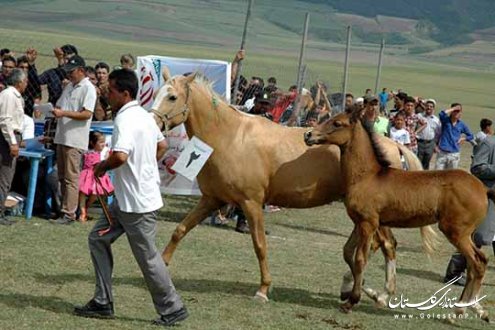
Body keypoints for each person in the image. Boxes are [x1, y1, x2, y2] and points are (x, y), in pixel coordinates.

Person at [73, 69, 188, 326]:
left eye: (111, 90)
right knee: (97, 239)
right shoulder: (145, 116)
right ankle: (102, 302)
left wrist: (102, 168)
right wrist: (145, 166)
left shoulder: (125, 119)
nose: (106, 93)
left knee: (147, 258)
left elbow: (121, 156)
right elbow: (162, 145)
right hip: (126, 203)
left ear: (124, 94)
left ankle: (172, 308)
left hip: (137, 206)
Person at [443, 132, 495, 286]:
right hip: (485, 198)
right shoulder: (489, 143)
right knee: (474, 236)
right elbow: (477, 167)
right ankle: (454, 273)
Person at [51, 55, 97, 224]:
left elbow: (86, 113)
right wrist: (56, 110)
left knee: (71, 177)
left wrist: (63, 113)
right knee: (62, 176)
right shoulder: (70, 86)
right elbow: (60, 104)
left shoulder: (88, 89)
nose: (70, 75)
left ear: (81, 70)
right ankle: (64, 209)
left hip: (75, 139)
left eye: (72, 72)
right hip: (62, 136)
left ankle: (69, 213)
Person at [0, 68, 28, 225]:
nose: (26, 84)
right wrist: (13, 142)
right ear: (18, 82)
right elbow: (5, 120)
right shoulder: (10, 95)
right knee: (5, 177)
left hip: (9, 137)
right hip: (6, 139)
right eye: (24, 81)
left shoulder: (12, 95)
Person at [78, 131, 113, 222]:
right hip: (87, 175)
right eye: (101, 142)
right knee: (82, 193)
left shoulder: (104, 151)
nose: (103, 144)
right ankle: (82, 213)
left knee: (95, 194)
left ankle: (85, 208)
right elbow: (86, 163)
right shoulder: (88, 152)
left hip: (97, 176)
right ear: (92, 143)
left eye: (104, 142)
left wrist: (107, 158)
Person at [434, 103, 474, 170]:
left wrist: (463, 139)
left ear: (461, 113)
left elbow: (471, 136)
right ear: (451, 112)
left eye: (458, 111)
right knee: (438, 174)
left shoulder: (462, 125)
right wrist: (453, 108)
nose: (456, 113)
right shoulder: (445, 120)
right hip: (442, 152)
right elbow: (441, 114)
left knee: (451, 176)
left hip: (454, 153)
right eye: (455, 111)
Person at [416, 99, 441, 169]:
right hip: (419, 143)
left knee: (426, 163)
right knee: (417, 162)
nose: (429, 108)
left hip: (430, 144)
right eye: (427, 106)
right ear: (425, 106)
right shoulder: (419, 116)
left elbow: (438, 134)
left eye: (431, 106)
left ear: (433, 108)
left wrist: (436, 145)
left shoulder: (436, 120)